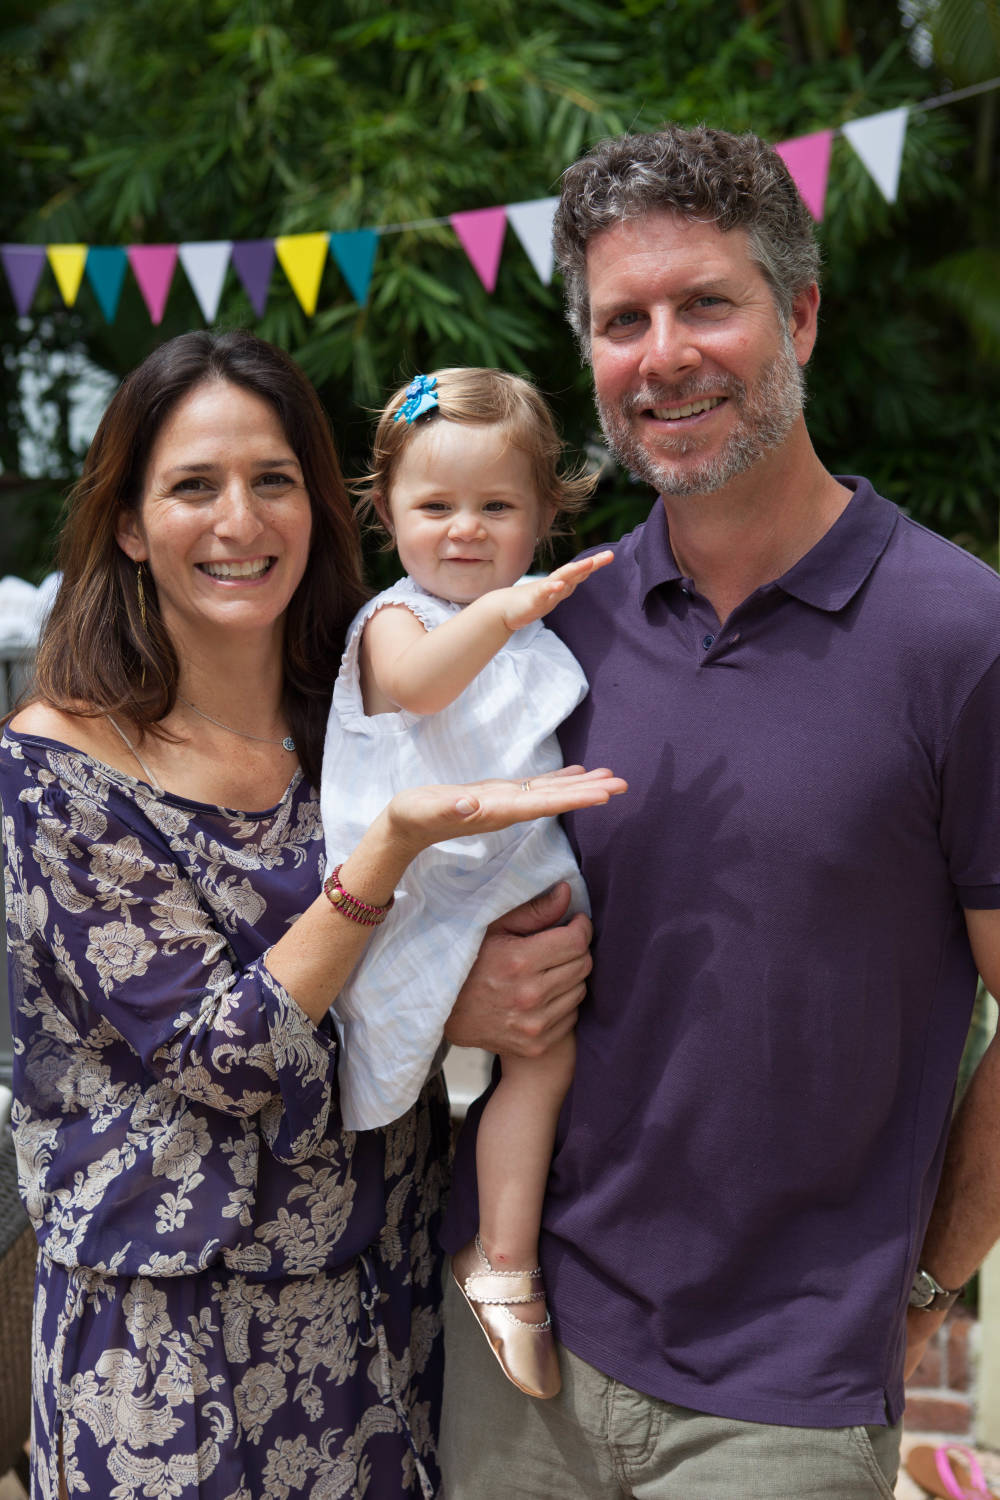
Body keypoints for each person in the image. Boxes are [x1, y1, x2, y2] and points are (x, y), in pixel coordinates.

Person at [439, 124, 1000, 1499]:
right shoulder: (549, 632)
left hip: (786, 1397)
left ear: (800, 314)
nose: (663, 353)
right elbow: (432, 917)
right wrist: (459, 1001)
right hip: (515, 1352)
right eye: (622, 320)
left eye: (707, 303)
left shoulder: (961, 635)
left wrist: (934, 1269)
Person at [0, 330, 626, 1500]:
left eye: (272, 480)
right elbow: (224, 1058)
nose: (240, 520)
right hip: (171, 1348)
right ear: (130, 523)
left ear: (322, 506)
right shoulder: (58, 767)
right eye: (194, 485)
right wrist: (392, 874)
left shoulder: (359, 716)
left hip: (381, 1307)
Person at [320, 367, 613, 1400]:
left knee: (546, 1057)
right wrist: (506, 613)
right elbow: (421, 686)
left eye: (497, 507)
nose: (464, 531)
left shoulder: (534, 631)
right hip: (419, 883)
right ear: (386, 510)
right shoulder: (393, 622)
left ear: (542, 514)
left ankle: (502, 1252)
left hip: (507, 872)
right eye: (434, 506)